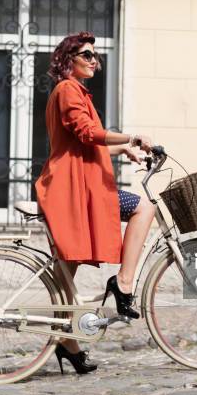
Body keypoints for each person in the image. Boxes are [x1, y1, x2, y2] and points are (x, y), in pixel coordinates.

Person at [34, 31, 156, 374]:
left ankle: (68, 345)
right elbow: (87, 133)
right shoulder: (68, 89)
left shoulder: (74, 92)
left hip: (76, 186)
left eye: (95, 56)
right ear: (68, 59)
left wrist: (123, 149)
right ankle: (124, 282)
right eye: (87, 55)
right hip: (74, 190)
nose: (94, 61)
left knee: (64, 277)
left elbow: (84, 142)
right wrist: (130, 135)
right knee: (144, 206)